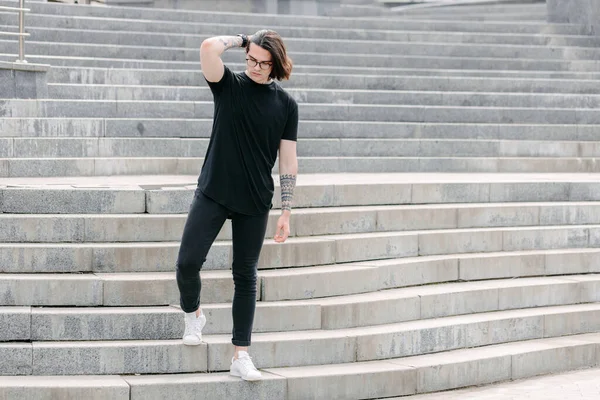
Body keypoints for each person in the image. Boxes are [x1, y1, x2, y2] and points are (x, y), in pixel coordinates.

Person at [175, 29, 298, 382]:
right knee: (186, 263)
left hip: (255, 201)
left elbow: (288, 162)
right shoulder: (228, 85)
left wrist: (286, 211)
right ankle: (194, 314)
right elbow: (207, 47)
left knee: (245, 277)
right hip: (213, 191)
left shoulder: (286, 106)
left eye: (264, 63)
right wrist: (245, 40)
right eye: (252, 60)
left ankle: (240, 355)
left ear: (276, 64)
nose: (256, 67)